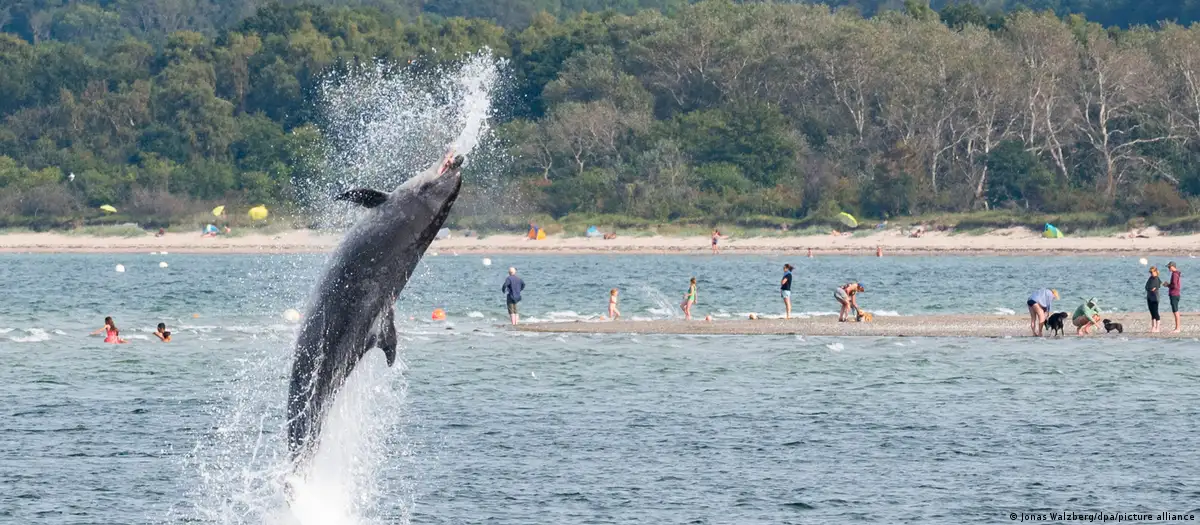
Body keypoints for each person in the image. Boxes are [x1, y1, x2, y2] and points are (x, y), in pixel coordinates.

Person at [1164, 261, 1182, 333]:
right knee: (1175, 311)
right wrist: (1169, 285)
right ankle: (1177, 328)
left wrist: (1167, 285)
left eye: (1169, 267)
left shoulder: (1174, 274)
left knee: (1175, 311)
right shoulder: (1176, 274)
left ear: (1172, 266)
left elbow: (1174, 285)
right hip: (1176, 294)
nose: (1168, 268)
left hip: (1174, 294)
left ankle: (1177, 328)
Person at [1146, 266, 1162, 333]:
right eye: (1150, 272)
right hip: (1149, 297)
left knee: (1155, 312)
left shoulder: (1157, 278)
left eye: (1152, 272)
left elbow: (1159, 284)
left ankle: (1158, 328)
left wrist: (1154, 288)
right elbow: (1146, 286)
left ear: (1155, 271)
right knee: (1152, 312)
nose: (1151, 273)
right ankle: (1153, 327)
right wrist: (1150, 289)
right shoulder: (1150, 278)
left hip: (1155, 298)